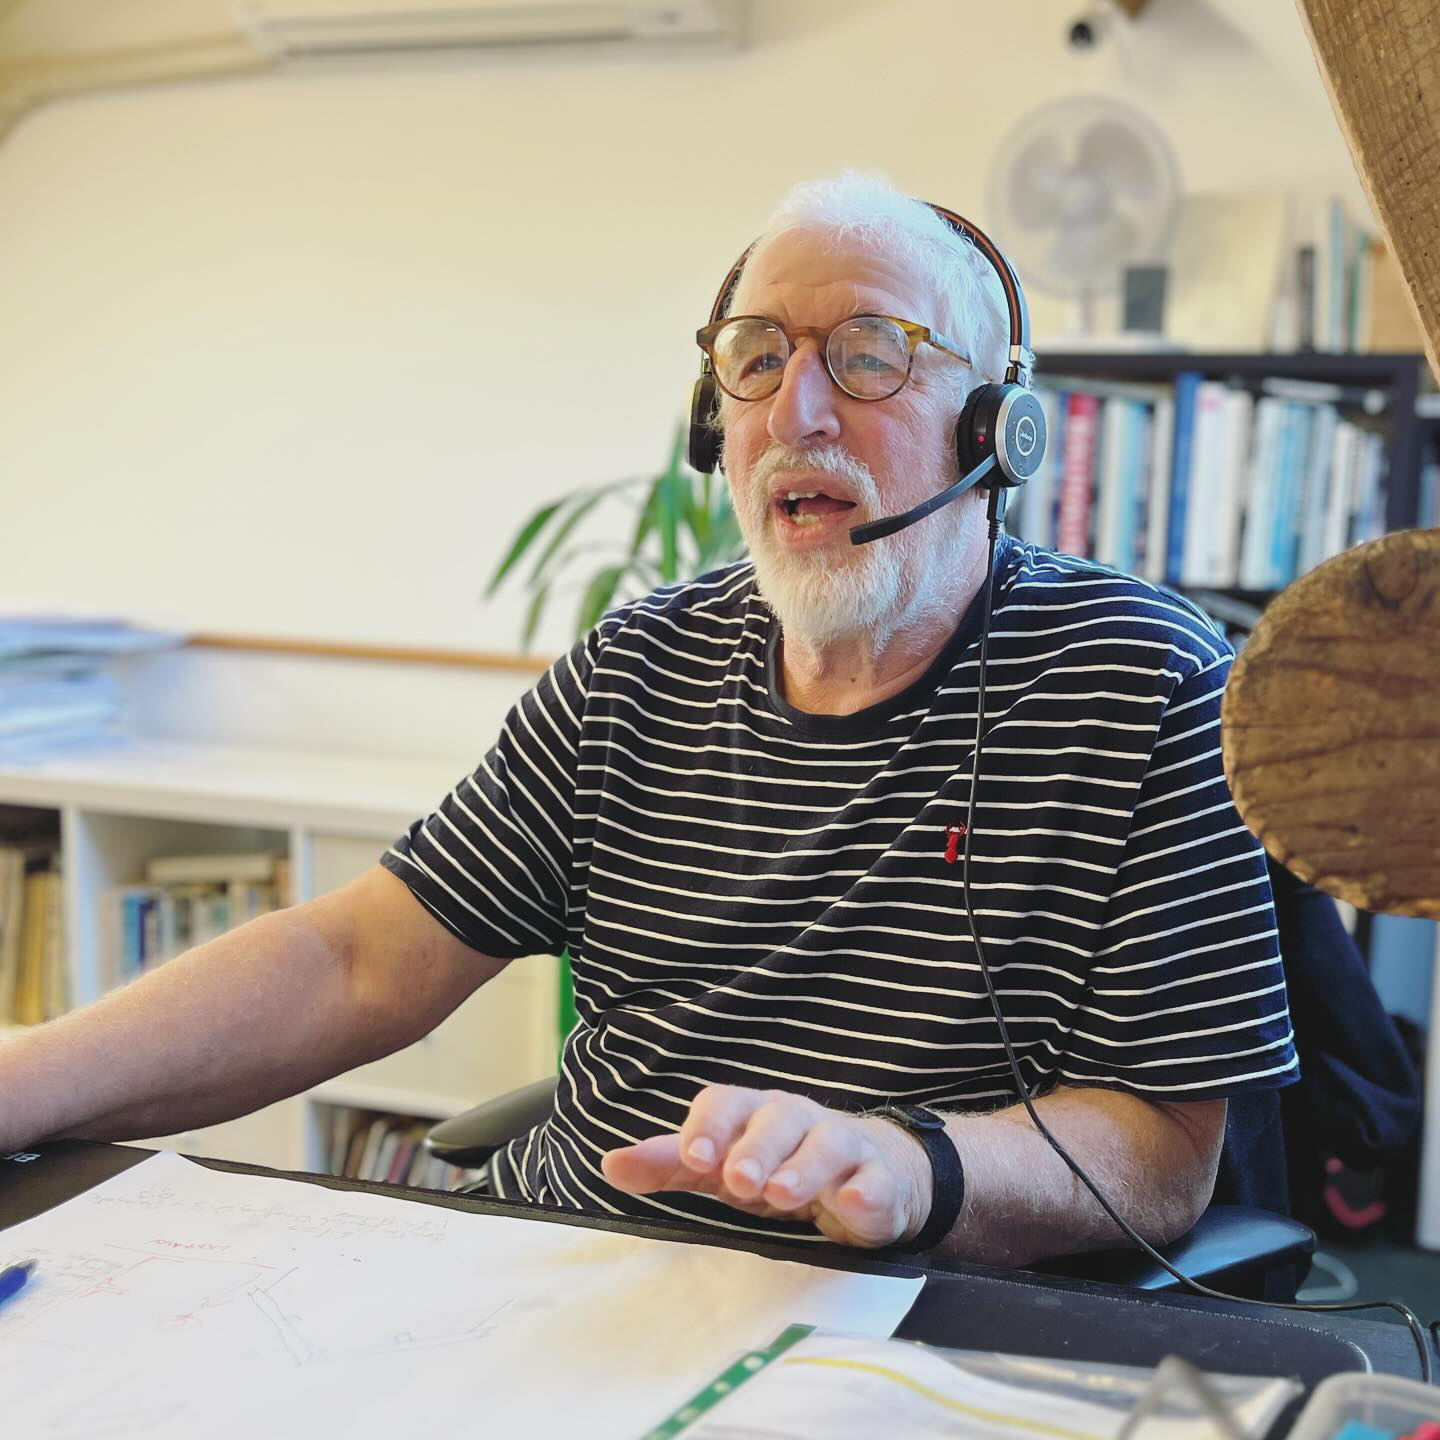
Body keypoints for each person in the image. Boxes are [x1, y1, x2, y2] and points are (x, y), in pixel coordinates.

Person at [0, 174, 1297, 1266]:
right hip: (565, 1276)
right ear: (711, 422)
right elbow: (359, 961)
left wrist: (913, 1170)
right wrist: (28, 1080)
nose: (796, 413)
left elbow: (1165, 1154)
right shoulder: (640, 660)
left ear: (992, 428)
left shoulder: (1141, 681)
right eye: (756, 361)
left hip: (893, 1324)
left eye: (866, 355)